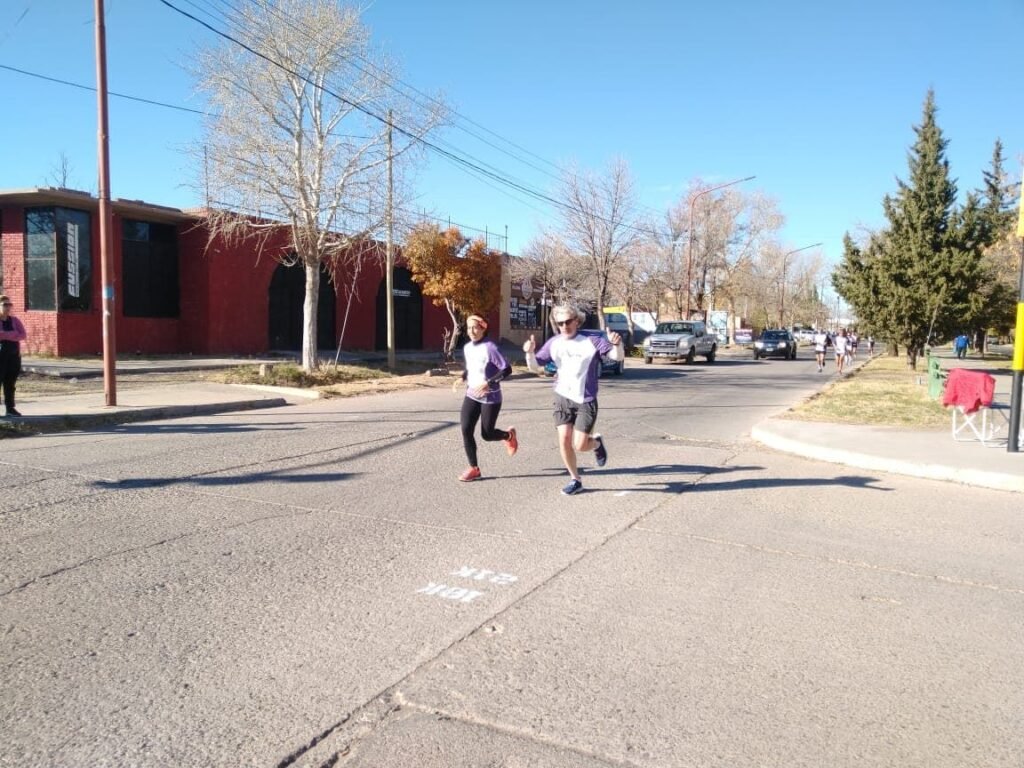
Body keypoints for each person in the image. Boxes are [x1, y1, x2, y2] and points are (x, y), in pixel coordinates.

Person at [523, 304, 624, 495]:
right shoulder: (554, 343)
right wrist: (529, 353)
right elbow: (535, 367)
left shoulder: (592, 341)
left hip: (585, 400)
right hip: (562, 398)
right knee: (564, 440)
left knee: (579, 445)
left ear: (577, 320)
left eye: (568, 321)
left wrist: (617, 344)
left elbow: (616, 357)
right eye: (560, 323)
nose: (564, 326)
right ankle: (575, 479)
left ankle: (596, 444)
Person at [455, 314, 517, 482]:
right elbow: (473, 367)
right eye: (469, 328)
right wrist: (462, 377)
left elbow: (506, 370)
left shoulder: (490, 347)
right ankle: (474, 468)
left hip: (491, 397)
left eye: (475, 327)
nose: (472, 331)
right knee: (466, 429)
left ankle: (508, 436)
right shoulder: (468, 347)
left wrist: (489, 382)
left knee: (487, 434)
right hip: (472, 395)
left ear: (483, 328)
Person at [0, 296, 26, 417]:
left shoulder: (15, 320)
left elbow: (23, 335)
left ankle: (10, 408)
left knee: (10, 383)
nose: (7, 307)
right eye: (5, 304)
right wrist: (13, 334)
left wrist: (6, 334)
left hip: (14, 355)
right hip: (1, 356)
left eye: (9, 305)